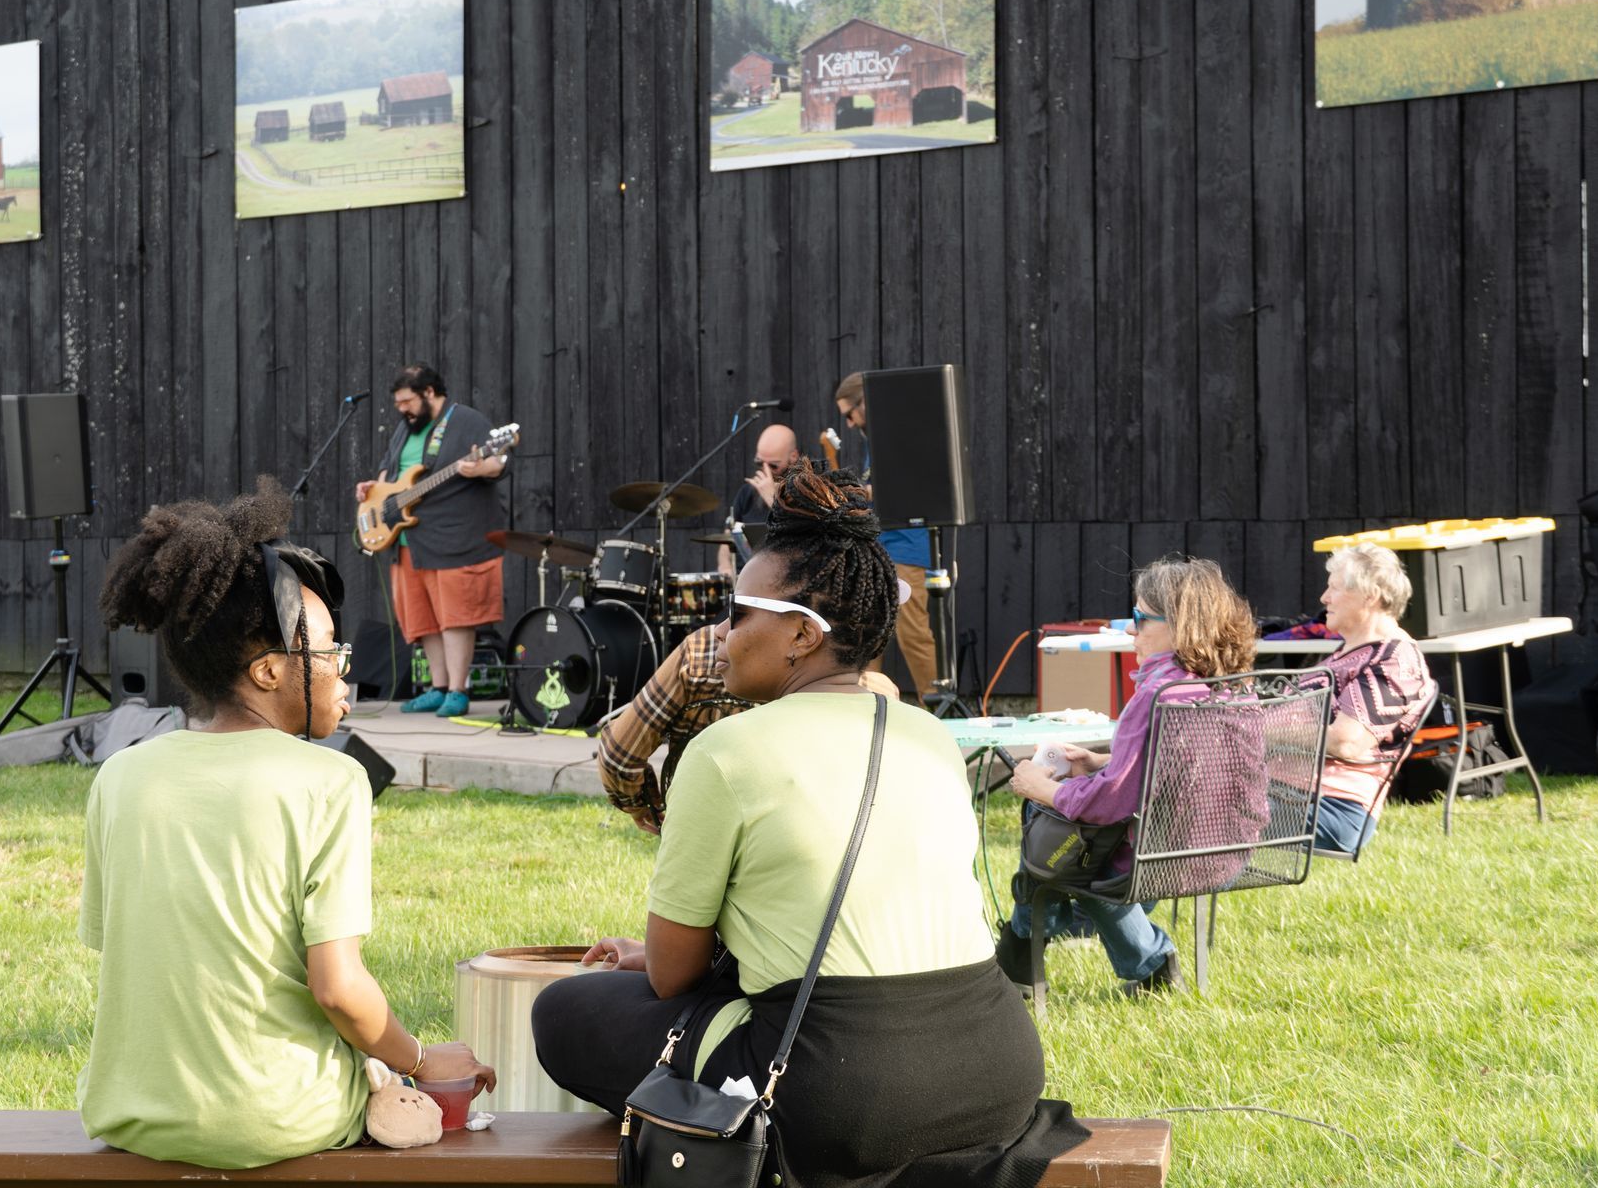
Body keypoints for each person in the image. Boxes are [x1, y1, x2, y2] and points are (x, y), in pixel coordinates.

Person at [537, 463, 1087, 1188]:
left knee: (565, 1011)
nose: (722, 633)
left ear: (800, 634)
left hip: (841, 1093)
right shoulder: (927, 734)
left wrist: (675, 957)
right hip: (997, 1072)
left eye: (739, 613)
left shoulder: (724, 753)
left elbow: (672, 978)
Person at [81, 480, 494, 1169]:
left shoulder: (120, 776)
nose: (341, 671)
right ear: (270, 671)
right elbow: (339, 990)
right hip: (277, 1120)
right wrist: (421, 1059)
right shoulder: (331, 781)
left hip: (131, 1115)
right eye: (328, 650)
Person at [999, 557, 1257, 995]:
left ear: (1180, 626)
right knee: (1073, 845)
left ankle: (1023, 951)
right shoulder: (1231, 687)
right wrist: (1101, 762)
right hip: (1224, 851)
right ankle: (1028, 954)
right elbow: (1177, 769)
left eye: (1139, 618)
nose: (1131, 631)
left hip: (1155, 861)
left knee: (1059, 841)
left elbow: (1110, 804)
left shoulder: (1157, 694)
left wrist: (1041, 788)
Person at [595, 617, 900, 834]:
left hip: (700, 831)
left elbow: (618, 755)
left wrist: (645, 805)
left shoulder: (701, 650)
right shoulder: (874, 695)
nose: (721, 630)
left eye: (739, 608)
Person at [353, 363, 508, 718]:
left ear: (429, 393)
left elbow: (499, 461)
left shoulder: (467, 421)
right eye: (398, 403)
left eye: (407, 401)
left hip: (455, 537)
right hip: (409, 541)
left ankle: (458, 690)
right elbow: (390, 470)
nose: (402, 409)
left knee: (456, 616)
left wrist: (482, 468)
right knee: (422, 619)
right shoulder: (405, 428)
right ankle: (438, 688)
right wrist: (374, 490)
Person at [1311, 543, 1433, 854]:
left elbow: (1346, 742)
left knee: (1205, 810)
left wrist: (1258, 730)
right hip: (1290, 795)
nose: (1324, 598)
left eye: (1335, 588)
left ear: (1370, 595)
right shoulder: (1356, 652)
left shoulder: (1395, 662)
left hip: (1332, 807)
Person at [833, 372, 938, 697]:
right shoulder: (875, 439)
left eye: (850, 414)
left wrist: (859, 493)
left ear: (865, 401)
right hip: (882, 548)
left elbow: (905, 486)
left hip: (906, 547)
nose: (849, 423)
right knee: (868, 634)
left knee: (913, 635)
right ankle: (865, 706)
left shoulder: (896, 433)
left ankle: (937, 710)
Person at [716, 423, 800, 578]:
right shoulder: (747, 493)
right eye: (760, 463)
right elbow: (727, 539)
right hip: (744, 578)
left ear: (793, 457)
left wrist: (773, 500)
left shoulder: (805, 494)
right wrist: (725, 566)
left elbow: (803, 541)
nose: (765, 470)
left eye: (773, 465)